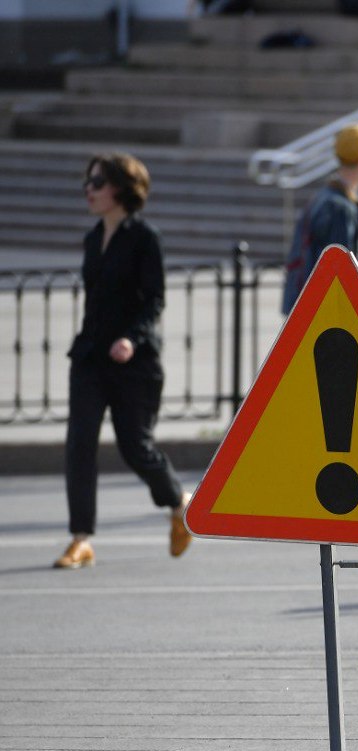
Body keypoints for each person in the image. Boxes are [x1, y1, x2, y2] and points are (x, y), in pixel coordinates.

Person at [54, 153, 192, 569]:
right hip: (91, 356)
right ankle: (81, 539)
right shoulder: (93, 237)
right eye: (87, 182)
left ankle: (178, 503)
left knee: (136, 447)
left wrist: (131, 339)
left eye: (97, 182)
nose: (88, 190)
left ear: (120, 189)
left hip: (134, 362)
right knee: (80, 443)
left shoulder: (146, 238)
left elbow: (154, 300)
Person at [281, 122, 358, 314]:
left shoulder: (327, 197)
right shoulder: (339, 207)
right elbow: (340, 272)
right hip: (327, 316)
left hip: (313, 312)